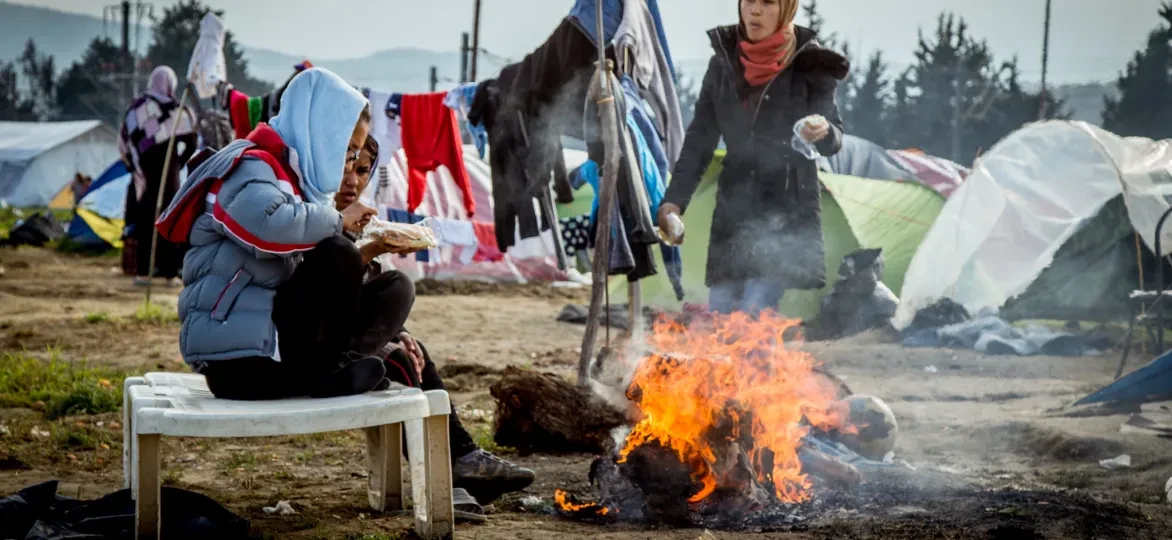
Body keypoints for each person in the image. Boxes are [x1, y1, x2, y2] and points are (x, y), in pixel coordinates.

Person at [157, 67, 390, 400]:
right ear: (321, 132)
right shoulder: (252, 165)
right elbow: (267, 228)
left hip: (276, 347)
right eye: (347, 150)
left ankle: (336, 368)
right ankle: (325, 374)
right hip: (237, 362)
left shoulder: (300, 179)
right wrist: (337, 221)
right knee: (337, 252)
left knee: (394, 287)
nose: (348, 166)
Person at [334, 135, 536, 508]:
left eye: (362, 170)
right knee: (397, 346)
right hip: (310, 350)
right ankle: (439, 479)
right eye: (345, 166)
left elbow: (361, 299)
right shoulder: (311, 222)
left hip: (343, 339)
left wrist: (399, 332)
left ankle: (461, 458)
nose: (352, 180)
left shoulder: (354, 225)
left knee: (413, 350)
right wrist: (373, 252)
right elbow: (325, 298)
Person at [657, 0, 848, 316]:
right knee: (721, 312)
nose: (755, 11)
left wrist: (825, 130)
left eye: (768, 2)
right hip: (733, 209)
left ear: (786, 9)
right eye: (749, 1)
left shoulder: (812, 65)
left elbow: (834, 139)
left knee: (753, 313)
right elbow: (700, 140)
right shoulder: (723, 63)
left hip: (785, 211)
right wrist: (674, 202)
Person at [118, 66, 198, 286]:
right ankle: (170, 274)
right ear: (170, 84)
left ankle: (144, 273)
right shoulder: (177, 110)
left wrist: (134, 164)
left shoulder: (137, 108)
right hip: (168, 174)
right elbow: (192, 142)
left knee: (145, 222)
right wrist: (179, 162)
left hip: (144, 173)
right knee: (169, 221)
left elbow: (125, 140)